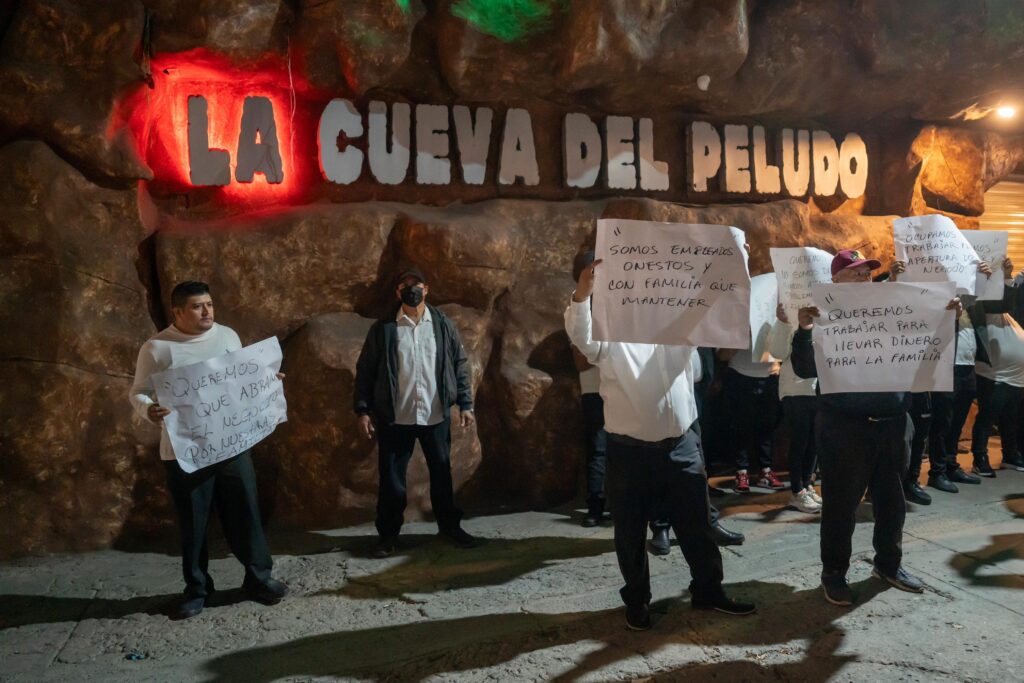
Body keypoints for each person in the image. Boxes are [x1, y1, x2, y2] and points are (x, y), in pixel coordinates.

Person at [566, 257, 755, 630]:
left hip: (681, 446)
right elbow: (582, 337)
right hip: (629, 450)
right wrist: (582, 295)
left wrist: (736, 259)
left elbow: (718, 304)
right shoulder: (610, 334)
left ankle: (708, 591)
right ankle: (637, 601)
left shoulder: (679, 326)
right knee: (630, 533)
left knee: (697, 526)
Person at [792, 249, 961, 606]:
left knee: (892, 502)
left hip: (894, 424)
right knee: (840, 505)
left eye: (866, 273)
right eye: (853, 273)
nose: (862, 279)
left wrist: (948, 319)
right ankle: (834, 573)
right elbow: (806, 370)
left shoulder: (894, 311)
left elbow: (929, 354)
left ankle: (888, 564)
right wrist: (805, 330)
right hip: (844, 428)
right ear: (834, 280)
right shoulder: (823, 315)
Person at [129, 281, 288, 620]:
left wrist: (268, 382)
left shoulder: (228, 336)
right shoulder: (158, 348)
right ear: (178, 312)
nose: (207, 312)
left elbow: (240, 383)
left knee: (246, 511)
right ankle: (197, 590)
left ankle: (259, 579)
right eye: (198, 306)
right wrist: (149, 410)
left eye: (210, 305)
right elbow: (138, 392)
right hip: (185, 453)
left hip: (231, 445)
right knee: (194, 523)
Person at [355, 268, 478, 557]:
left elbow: (459, 363)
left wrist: (465, 403)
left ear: (427, 289)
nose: (412, 290)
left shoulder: (442, 324)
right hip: (397, 416)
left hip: (435, 414)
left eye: (417, 285)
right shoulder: (384, 328)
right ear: (397, 293)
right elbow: (366, 371)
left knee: (442, 475)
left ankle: (450, 528)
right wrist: (362, 409)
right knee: (391, 480)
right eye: (405, 285)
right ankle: (388, 536)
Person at [649, 346, 746, 554]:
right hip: (663, 391)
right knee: (660, 461)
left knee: (697, 461)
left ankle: (708, 523)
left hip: (695, 391)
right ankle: (661, 527)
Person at [969, 257, 1024, 476]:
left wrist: (1007, 276)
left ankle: (1010, 455)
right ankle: (979, 457)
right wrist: (1004, 278)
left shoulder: (1006, 312)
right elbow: (1002, 302)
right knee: (988, 416)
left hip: (1016, 377)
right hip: (995, 375)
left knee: (1010, 418)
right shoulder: (980, 303)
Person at [768, 304, 821, 514]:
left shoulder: (825, 315)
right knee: (800, 441)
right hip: (796, 390)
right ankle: (797, 492)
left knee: (814, 442)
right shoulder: (789, 317)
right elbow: (777, 351)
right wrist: (782, 322)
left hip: (820, 390)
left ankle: (807, 485)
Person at [927, 306, 983, 492]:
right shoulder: (942, 301)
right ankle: (937, 472)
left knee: (958, 421)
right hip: (946, 366)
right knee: (943, 421)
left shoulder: (972, 305)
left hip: (968, 367)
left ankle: (951, 465)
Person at [572, 252, 609, 528]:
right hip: (595, 390)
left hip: (622, 389)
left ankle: (621, 505)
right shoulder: (579, 306)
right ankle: (595, 506)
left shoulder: (618, 305)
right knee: (598, 449)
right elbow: (582, 361)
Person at [718, 348, 785, 492]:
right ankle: (741, 471)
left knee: (767, 425)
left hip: (769, 373)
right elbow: (722, 355)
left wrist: (778, 363)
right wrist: (742, 335)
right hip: (739, 373)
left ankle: (765, 470)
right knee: (741, 425)